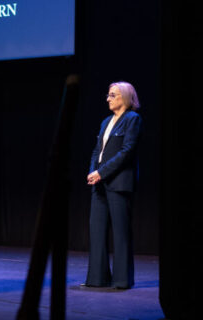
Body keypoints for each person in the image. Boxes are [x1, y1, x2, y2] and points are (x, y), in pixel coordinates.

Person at [83, 81, 142, 289]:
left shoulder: (132, 119)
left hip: (119, 182)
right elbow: (97, 150)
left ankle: (122, 280)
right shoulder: (106, 121)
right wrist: (93, 171)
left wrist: (102, 172)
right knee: (96, 230)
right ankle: (97, 278)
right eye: (108, 95)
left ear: (124, 97)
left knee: (120, 231)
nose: (108, 98)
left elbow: (127, 152)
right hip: (99, 182)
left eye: (112, 95)